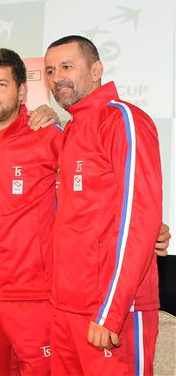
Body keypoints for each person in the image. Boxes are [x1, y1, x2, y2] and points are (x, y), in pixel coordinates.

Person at [45, 35, 163, 376]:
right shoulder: (70, 130)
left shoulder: (123, 119)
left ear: (97, 70)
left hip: (112, 313)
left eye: (67, 67)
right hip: (66, 310)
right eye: (51, 71)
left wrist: (110, 310)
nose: (57, 78)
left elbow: (138, 218)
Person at [0, 48, 62, 376]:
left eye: (1, 84)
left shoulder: (46, 135)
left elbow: (89, 195)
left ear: (21, 91)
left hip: (36, 296)